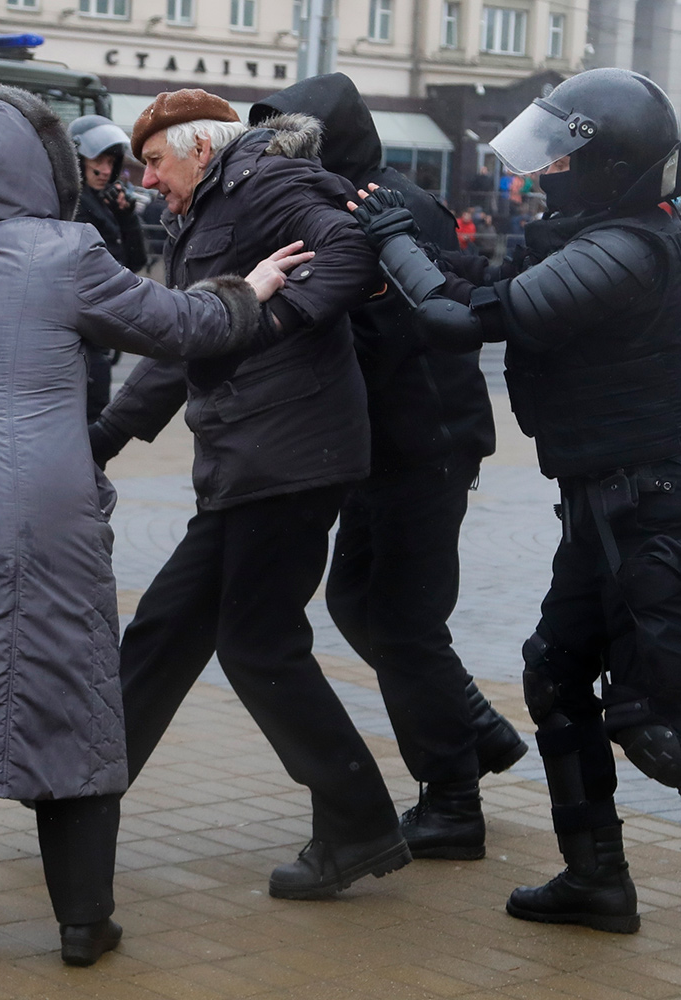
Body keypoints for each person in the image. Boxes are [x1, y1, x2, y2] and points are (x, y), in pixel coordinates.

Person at [349, 68, 681, 989]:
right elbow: (483, 278)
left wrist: (391, 237)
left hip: (655, 508)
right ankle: (597, 878)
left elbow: (454, 317)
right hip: (610, 501)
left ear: (606, 164)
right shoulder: (596, 234)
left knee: (647, 716)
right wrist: (419, 227)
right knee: (556, 674)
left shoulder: (629, 251)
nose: (543, 171)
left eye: (561, 155)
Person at [0, 85, 309, 967]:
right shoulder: (66, 254)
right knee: (64, 688)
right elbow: (182, 327)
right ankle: (81, 920)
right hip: (25, 508)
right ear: (49, 170)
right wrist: (249, 288)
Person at [86, 89, 411, 900]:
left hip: (293, 455)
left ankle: (360, 823)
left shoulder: (264, 180)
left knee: (258, 647)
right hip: (246, 461)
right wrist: (105, 437)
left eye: (155, 163)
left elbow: (352, 248)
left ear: (200, 148)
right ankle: (82, 794)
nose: (147, 181)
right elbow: (182, 341)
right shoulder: (201, 212)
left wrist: (275, 319)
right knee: (165, 629)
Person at [246, 73, 527, 863]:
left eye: (293, 140)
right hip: (389, 446)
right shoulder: (341, 200)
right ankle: (473, 729)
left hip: (423, 443)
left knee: (403, 622)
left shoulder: (382, 208)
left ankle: (452, 799)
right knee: (359, 604)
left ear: (329, 141)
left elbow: (414, 327)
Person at [69, 115, 148, 421]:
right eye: (97, 160)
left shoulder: (104, 203)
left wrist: (126, 217)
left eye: (111, 161)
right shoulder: (72, 206)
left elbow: (134, 260)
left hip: (100, 333)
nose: (104, 170)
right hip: (81, 339)